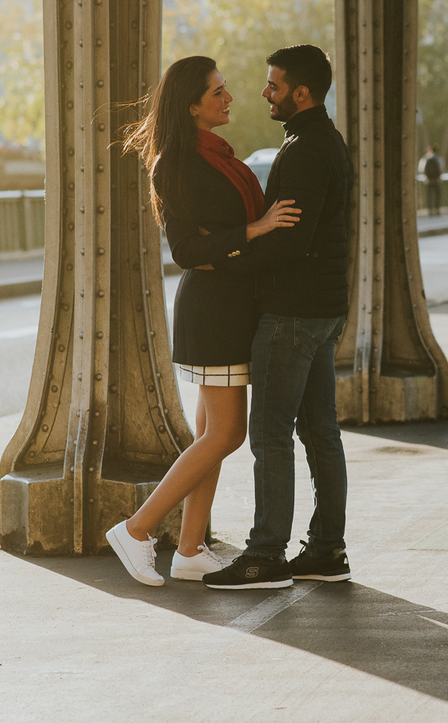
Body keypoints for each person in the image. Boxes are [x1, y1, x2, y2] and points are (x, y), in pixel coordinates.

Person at [106, 56, 301, 586]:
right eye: (217, 92)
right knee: (228, 435)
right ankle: (138, 529)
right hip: (213, 313)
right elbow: (188, 250)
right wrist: (256, 231)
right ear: (192, 105)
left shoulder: (217, 155)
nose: (229, 98)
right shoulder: (176, 162)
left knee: (211, 434)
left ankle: (190, 548)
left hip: (230, 306)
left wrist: (252, 239)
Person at [201, 44, 354, 590]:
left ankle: (266, 554)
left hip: (293, 312)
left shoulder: (308, 148)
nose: (264, 92)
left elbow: (292, 241)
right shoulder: (318, 140)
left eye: (274, 85)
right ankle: (326, 550)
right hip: (321, 308)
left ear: (301, 93)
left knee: (269, 434)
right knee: (319, 432)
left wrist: (230, 255)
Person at [419, 145, 443, 216]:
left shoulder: (425, 158)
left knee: (429, 196)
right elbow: (441, 168)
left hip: (428, 180)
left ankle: (429, 210)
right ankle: (437, 210)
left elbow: (421, 169)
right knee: (437, 195)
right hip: (436, 180)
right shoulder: (438, 158)